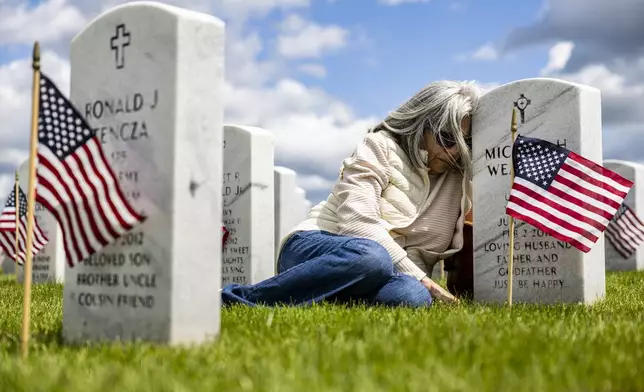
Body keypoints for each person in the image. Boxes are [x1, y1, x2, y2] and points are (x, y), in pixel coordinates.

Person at [222, 80, 481, 308]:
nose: (455, 152)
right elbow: (357, 223)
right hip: (321, 247)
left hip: (389, 273)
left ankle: (313, 295)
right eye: (448, 139)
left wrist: (420, 282)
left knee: (411, 296)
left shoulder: (458, 177)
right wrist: (424, 279)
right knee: (372, 258)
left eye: (464, 143)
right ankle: (236, 298)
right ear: (421, 126)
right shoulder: (380, 146)